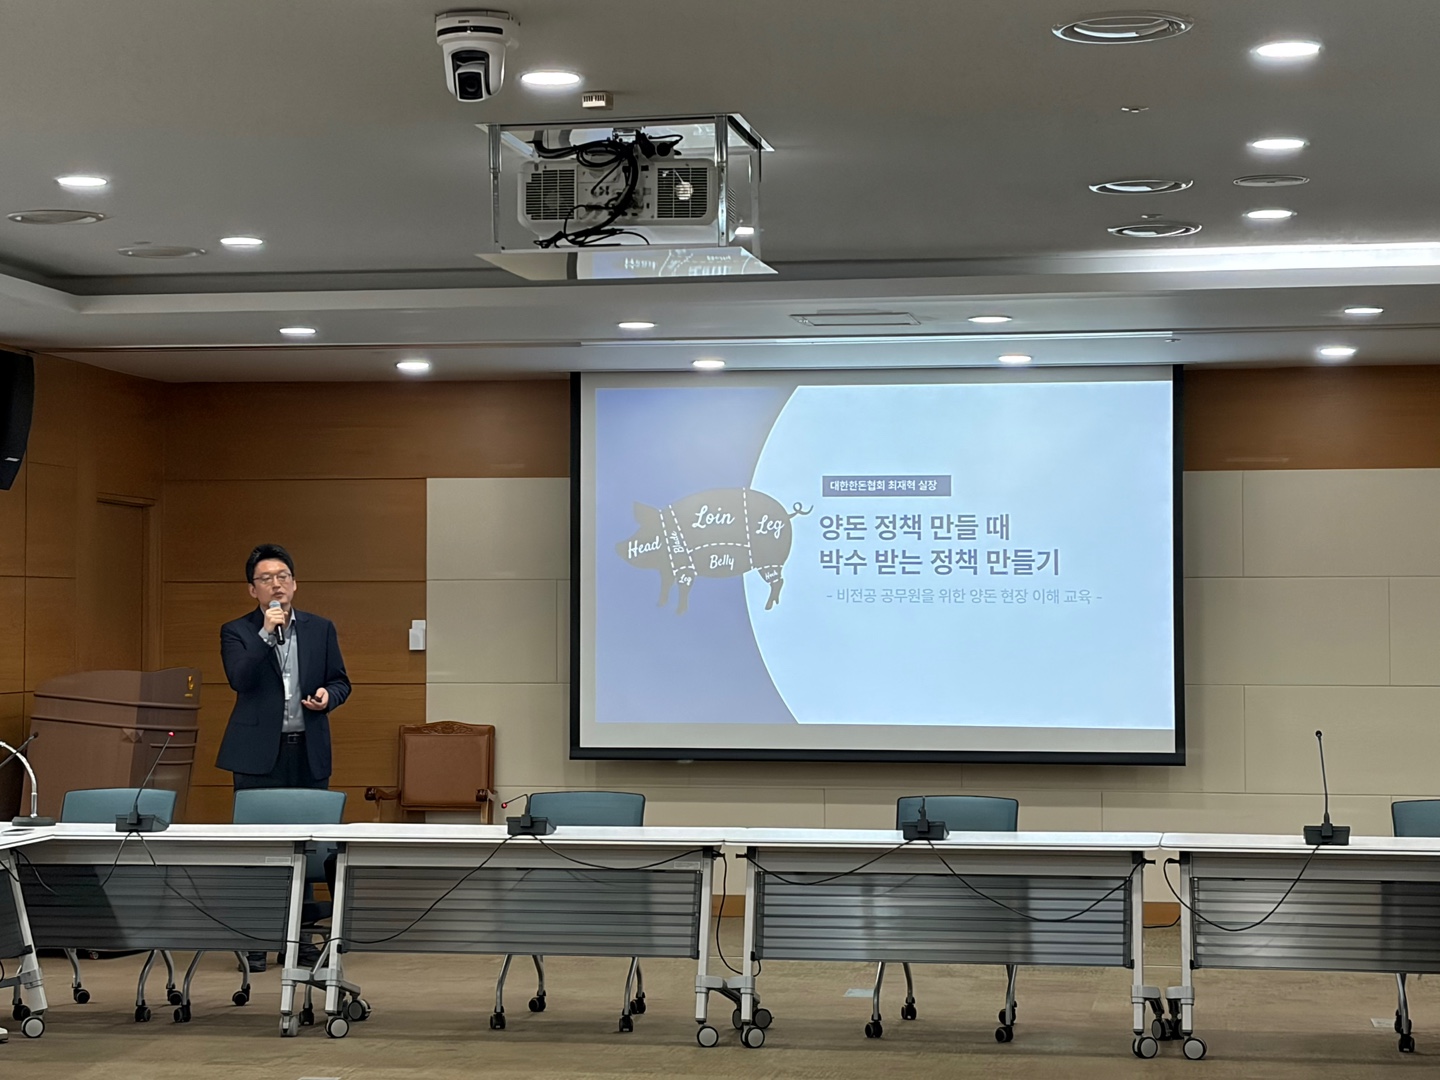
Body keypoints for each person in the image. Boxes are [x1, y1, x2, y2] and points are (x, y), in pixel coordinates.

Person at [218, 543, 351, 970]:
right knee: (259, 848)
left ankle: (301, 940)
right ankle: (257, 938)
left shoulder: (320, 628)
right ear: (252, 590)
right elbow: (240, 679)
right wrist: (264, 635)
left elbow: (341, 681)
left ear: (294, 583)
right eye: (266, 579)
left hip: (307, 751)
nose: (276, 585)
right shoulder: (237, 631)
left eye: (283, 577)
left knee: (306, 846)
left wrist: (328, 696)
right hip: (258, 755)